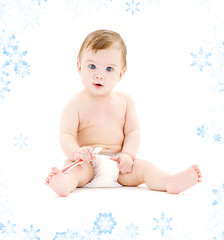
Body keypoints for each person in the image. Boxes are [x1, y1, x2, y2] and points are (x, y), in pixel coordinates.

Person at [45, 29, 202, 197]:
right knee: (74, 171)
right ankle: (65, 183)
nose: (99, 75)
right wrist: (76, 152)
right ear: (79, 67)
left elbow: (132, 132)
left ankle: (169, 181)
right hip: (87, 162)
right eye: (92, 66)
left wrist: (127, 155)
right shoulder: (75, 103)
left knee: (146, 168)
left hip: (119, 165)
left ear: (121, 73)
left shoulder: (125, 101)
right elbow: (66, 134)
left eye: (109, 69)